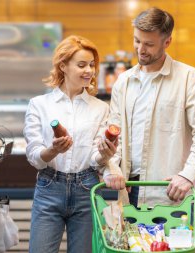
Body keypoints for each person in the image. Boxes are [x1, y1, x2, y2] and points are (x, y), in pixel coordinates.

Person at [102, 7, 195, 207]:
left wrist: (188, 176)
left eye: (149, 44)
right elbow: (115, 134)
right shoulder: (123, 81)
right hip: (130, 190)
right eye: (137, 41)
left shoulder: (190, 78)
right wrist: (112, 168)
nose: (140, 49)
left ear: (167, 42)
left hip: (172, 191)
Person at [23, 35, 117, 253]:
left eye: (92, 65)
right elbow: (34, 156)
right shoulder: (39, 105)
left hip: (87, 188)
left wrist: (105, 155)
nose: (89, 71)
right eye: (82, 65)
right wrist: (52, 150)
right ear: (63, 66)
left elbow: (95, 157)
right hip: (49, 187)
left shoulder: (100, 108)